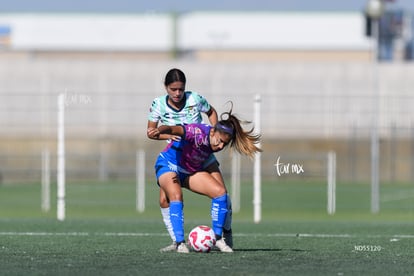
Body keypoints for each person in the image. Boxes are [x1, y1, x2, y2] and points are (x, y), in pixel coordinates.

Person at [148, 105, 262, 253]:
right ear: (213, 131)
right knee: (174, 195)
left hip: (189, 171)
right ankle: (180, 242)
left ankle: (218, 238)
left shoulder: (216, 139)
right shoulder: (196, 132)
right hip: (168, 165)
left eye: (224, 144)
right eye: (219, 141)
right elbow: (173, 129)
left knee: (220, 193)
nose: (220, 146)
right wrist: (160, 130)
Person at [146, 68, 234, 252]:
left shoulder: (195, 99)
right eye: (173, 89)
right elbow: (154, 131)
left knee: (222, 194)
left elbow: (211, 112)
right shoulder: (158, 104)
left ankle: (224, 232)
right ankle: (177, 241)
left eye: (181, 89)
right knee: (166, 199)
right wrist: (165, 135)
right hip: (178, 154)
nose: (178, 93)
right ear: (166, 88)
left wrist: (213, 134)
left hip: (202, 151)